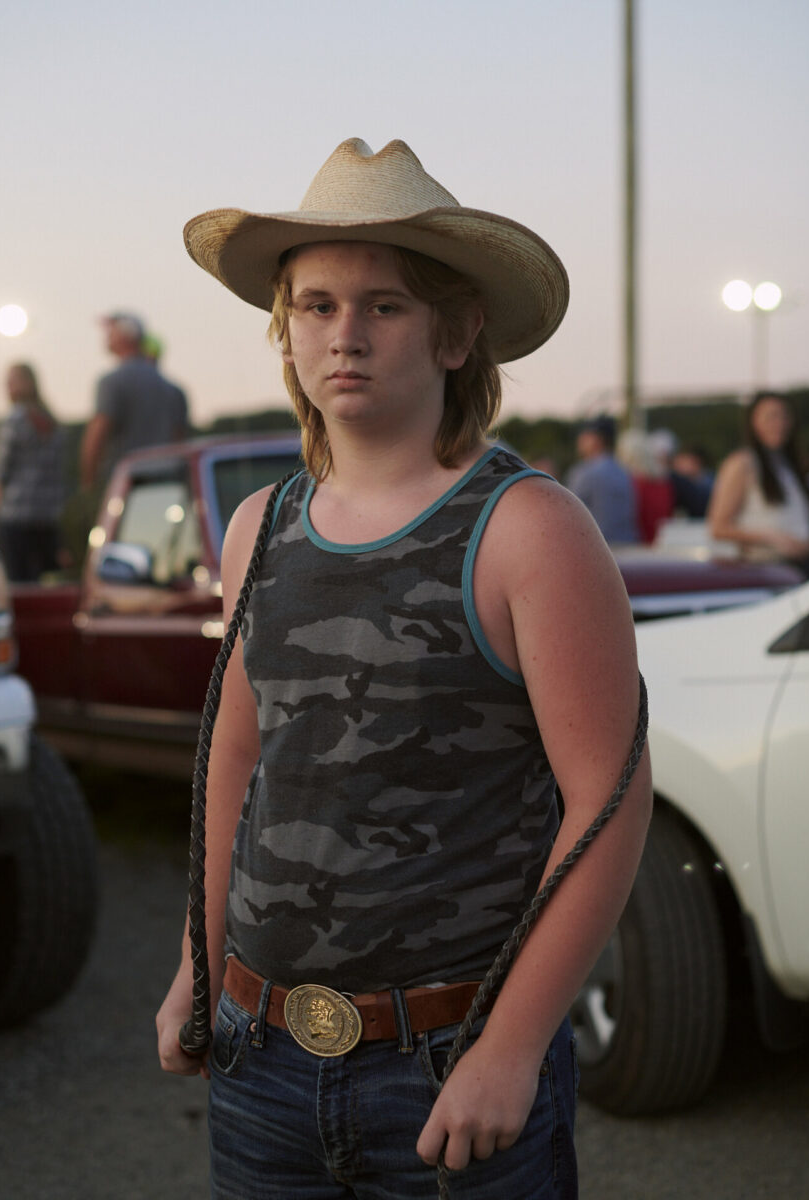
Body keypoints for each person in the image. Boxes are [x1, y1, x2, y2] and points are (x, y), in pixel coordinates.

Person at [156, 137, 652, 1198]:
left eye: (384, 305)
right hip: (260, 1056)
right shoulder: (258, 528)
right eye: (317, 305)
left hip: (448, 1063)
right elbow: (236, 763)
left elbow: (607, 803)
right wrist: (199, 963)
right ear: (283, 331)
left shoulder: (529, 529)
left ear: (459, 330)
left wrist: (512, 1048)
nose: (346, 335)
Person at [708, 391, 809, 578]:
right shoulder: (743, 463)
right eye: (771, 416)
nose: (779, 424)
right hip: (771, 568)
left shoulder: (790, 465)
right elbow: (719, 527)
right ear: (753, 421)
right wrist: (773, 538)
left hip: (808, 563)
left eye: (785, 416)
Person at [79, 312, 189, 488]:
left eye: (111, 331)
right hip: (168, 482)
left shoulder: (111, 382)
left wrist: (88, 483)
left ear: (125, 336)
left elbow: (98, 433)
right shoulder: (174, 389)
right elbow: (179, 440)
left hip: (127, 484)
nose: (106, 336)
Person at [0, 362, 64, 582]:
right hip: (48, 516)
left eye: (11, 382)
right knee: (46, 579)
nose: (7, 388)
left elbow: (0, 470)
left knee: (17, 581)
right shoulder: (52, 422)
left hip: (16, 515)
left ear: (27, 384)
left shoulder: (15, 419)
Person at [564, 414, 639, 545]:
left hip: (595, 549)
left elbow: (566, 515)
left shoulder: (584, 472)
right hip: (627, 546)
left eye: (585, 435)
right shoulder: (623, 472)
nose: (579, 440)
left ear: (596, 439)